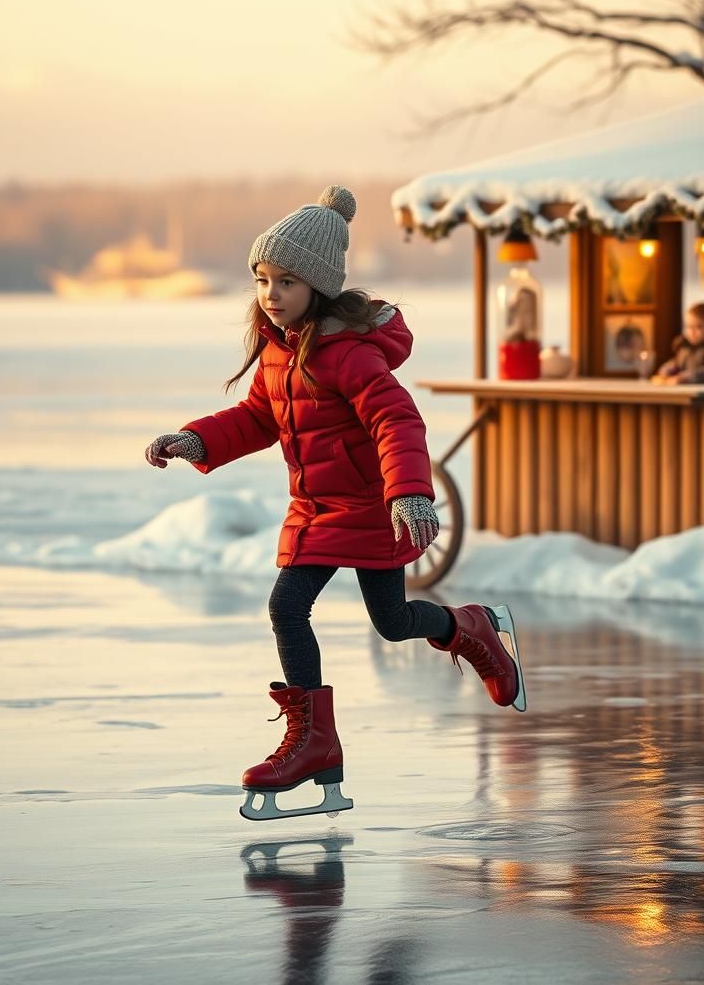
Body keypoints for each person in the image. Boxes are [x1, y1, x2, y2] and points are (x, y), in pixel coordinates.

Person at [144, 186, 527, 821]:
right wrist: (196, 438)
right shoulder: (278, 350)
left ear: (317, 286)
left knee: (394, 621)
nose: (271, 294)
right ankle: (314, 742)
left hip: (373, 506)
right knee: (287, 606)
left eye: (286, 281)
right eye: (263, 279)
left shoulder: (346, 354)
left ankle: (472, 628)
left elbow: (398, 423)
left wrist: (408, 495)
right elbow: (256, 417)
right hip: (314, 510)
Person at [652, 302, 704, 384]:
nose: (692, 331)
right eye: (688, 326)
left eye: (698, 327)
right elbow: (678, 364)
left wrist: (688, 377)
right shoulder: (685, 346)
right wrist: (668, 369)